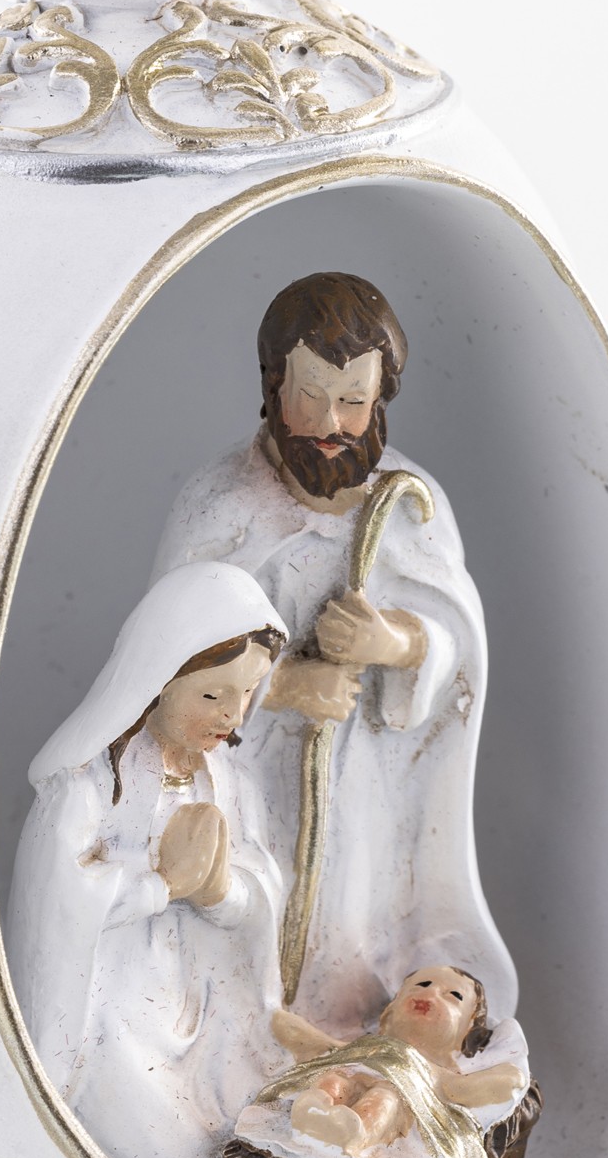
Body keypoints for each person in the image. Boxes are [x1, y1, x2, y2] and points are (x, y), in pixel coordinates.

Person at [151, 269, 517, 1029]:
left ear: (381, 397)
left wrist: (395, 641)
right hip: (246, 765)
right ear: (272, 384)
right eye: (308, 395)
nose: (328, 421)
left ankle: (344, 1033)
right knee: (248, 897)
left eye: (352, 400)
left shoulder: (409, 503)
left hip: (366, 776)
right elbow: (168, 646)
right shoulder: (220, 504)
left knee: (351, 903)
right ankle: (247, 1028)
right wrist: (281, 686)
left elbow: (458, 640)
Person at [7, 562, 287, 1158]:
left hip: (206, 1010)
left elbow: (260, 887)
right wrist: (162, 885)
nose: (233, 716)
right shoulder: (84, 787)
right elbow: (56, 908)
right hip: (110, 1017)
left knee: (257, 1140)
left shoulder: (228, 782)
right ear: (156, 678)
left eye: (248, 692)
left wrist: (221, 892)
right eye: (212, 695)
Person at [271, 966, 526, 1158]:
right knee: (332, 1080)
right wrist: (284, 1023)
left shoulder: (432, 1071)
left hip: (394, 1092)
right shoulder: (364, 1046)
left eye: (454, 996)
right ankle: (313, 1116)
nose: (430, 993)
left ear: (465, 1032)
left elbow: (461, 1088)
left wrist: (504, 1078)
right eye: (423, 984)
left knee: (384, 1099)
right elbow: (323, 1046)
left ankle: (355, 1134)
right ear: (390, 1010)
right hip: (350, 1071)